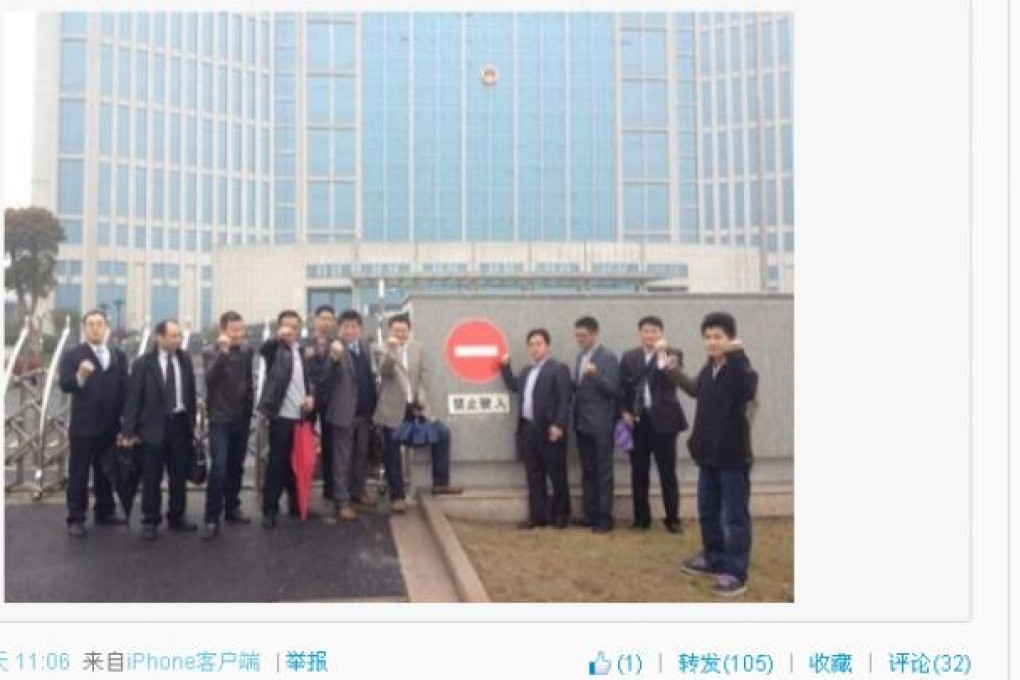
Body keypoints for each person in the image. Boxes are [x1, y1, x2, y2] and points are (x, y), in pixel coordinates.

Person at [678, 312, 759, 597]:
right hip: (708, 458)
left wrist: (737, 353)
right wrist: (672, 372)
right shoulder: (707, 370)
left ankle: (736, 572)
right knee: (708, 511)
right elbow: (695, 390)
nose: (712, 342)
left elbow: (749, 386)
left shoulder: (740, 370)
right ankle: (713, 558)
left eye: (718, 337)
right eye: (708, 337)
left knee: (735, 518)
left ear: (730, 339)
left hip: (733, 459)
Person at [373, 313, 462, 513]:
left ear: (409, 330)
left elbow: (423, 375)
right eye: (396, 330)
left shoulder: (418, 349)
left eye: (403, 330)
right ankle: (397, 496)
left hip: (416, 407)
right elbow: (384, 372)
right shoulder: (381, 349)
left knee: (443, 434)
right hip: (392, 409)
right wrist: (392, 351)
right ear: (390, 331)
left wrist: (420, 397)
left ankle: (440, 483)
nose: (400, 334)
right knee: (391, 451)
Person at [120, 319, 198, 541]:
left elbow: (191, 391)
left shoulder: (185, 360)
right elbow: (133, 399)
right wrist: (128, 431)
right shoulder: (143, 364)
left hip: (180, 425)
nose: (178, 340)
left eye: (179, 336)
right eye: (173, 336)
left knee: (178, 476)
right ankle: (150, 520)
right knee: (151, 477)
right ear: (159, 337)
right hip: (153, 427)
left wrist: (194, 421)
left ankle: (177, 516)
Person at [58, 310, 129, 537]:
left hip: (109, 426)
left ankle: (105, 511)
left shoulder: (117, 354)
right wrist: (80, 375)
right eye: (91, 324)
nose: (95, 328)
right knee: (79, 473)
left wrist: (126, 421)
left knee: (106, 471)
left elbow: (124, 388)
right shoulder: (74, 354)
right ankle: (76, 518)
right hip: (83, 426)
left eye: (100, 324)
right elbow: (66, 385)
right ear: (84, 328)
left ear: (106, 327)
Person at [619, 316, 687, 533]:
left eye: (654, 331)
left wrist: (662, 353)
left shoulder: (673, 354)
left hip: (665, 422)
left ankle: (673, 519)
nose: (650, 335)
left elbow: (672, 378)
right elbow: (622, 388)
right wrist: (624, 411)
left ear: (661, 333)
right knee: (639, 472)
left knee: (667, 472)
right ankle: (641, 519)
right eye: (646, 331)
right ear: (640, 333)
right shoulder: (629, 357)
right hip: (638, 422)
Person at [500, 329, 573, 529]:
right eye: (531, 344)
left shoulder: (558, 369)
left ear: (547, 345)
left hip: (550, 430)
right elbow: (514, 385)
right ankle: (537, 516)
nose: (535, 348)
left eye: (538, 343)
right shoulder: (526, 371)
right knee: (534, 475)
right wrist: (505, 367)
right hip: (529, 429)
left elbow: (565, 400)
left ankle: (560, 516)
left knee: (557, 475)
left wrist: (559, 425)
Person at [257, 310, 317, 528]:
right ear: (280, 327)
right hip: (281, 415)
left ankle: (296, 504)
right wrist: (276, 337)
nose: (291, 330)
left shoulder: (302, 352)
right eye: (286, 325)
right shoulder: (276, 350)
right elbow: (263, 349)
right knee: (277, 463)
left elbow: (308, 380)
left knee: (298, 462)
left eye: (295, 326)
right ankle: (270, 509)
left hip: (301, 417)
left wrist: (311, 396)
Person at [200, 310, 255, 539]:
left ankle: (232, 506)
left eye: (241, 330)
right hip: (220, 418)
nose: (238, 334)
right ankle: (212, 517)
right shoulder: (210, 351)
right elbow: (210, 378)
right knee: (219, 467)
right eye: (233, 330)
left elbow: (248, 381)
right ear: (222, 331)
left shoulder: (246, 351)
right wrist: (222, 352)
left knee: (236, 465)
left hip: (241, 417)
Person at [321, 310, 378, 522]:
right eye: (346, 327)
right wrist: (333, 359)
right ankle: (342, 501)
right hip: (343, 413)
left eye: (354, 327)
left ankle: (358, 491)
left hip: (364, 413)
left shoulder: (364, 347)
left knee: (360, 457)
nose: (350, 331)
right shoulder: (334, 349)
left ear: (360, 329)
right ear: (339, 328)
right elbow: (324, 380)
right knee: (342, 460)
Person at [571, 316, 620, 534]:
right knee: (588, 471)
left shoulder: (607, 357)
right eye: (577, 336)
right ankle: (589, 514)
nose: (580, 340)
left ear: (595, 334)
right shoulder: (580, 357)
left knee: (603, 471)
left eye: (583, 336)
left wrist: (596, 374)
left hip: (601, 424)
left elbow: (613, 389)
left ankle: (604, 517)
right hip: (582, 423)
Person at [304, 305, 337, 503]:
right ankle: (302, 488)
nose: (326, 322)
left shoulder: (337, 343)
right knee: (304, 443)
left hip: (330, 398)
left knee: (330, 444)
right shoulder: (303, 342)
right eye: (323, 318)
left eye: (329, 318)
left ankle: (330, 488)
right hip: (308, 399)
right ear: (315, 320)